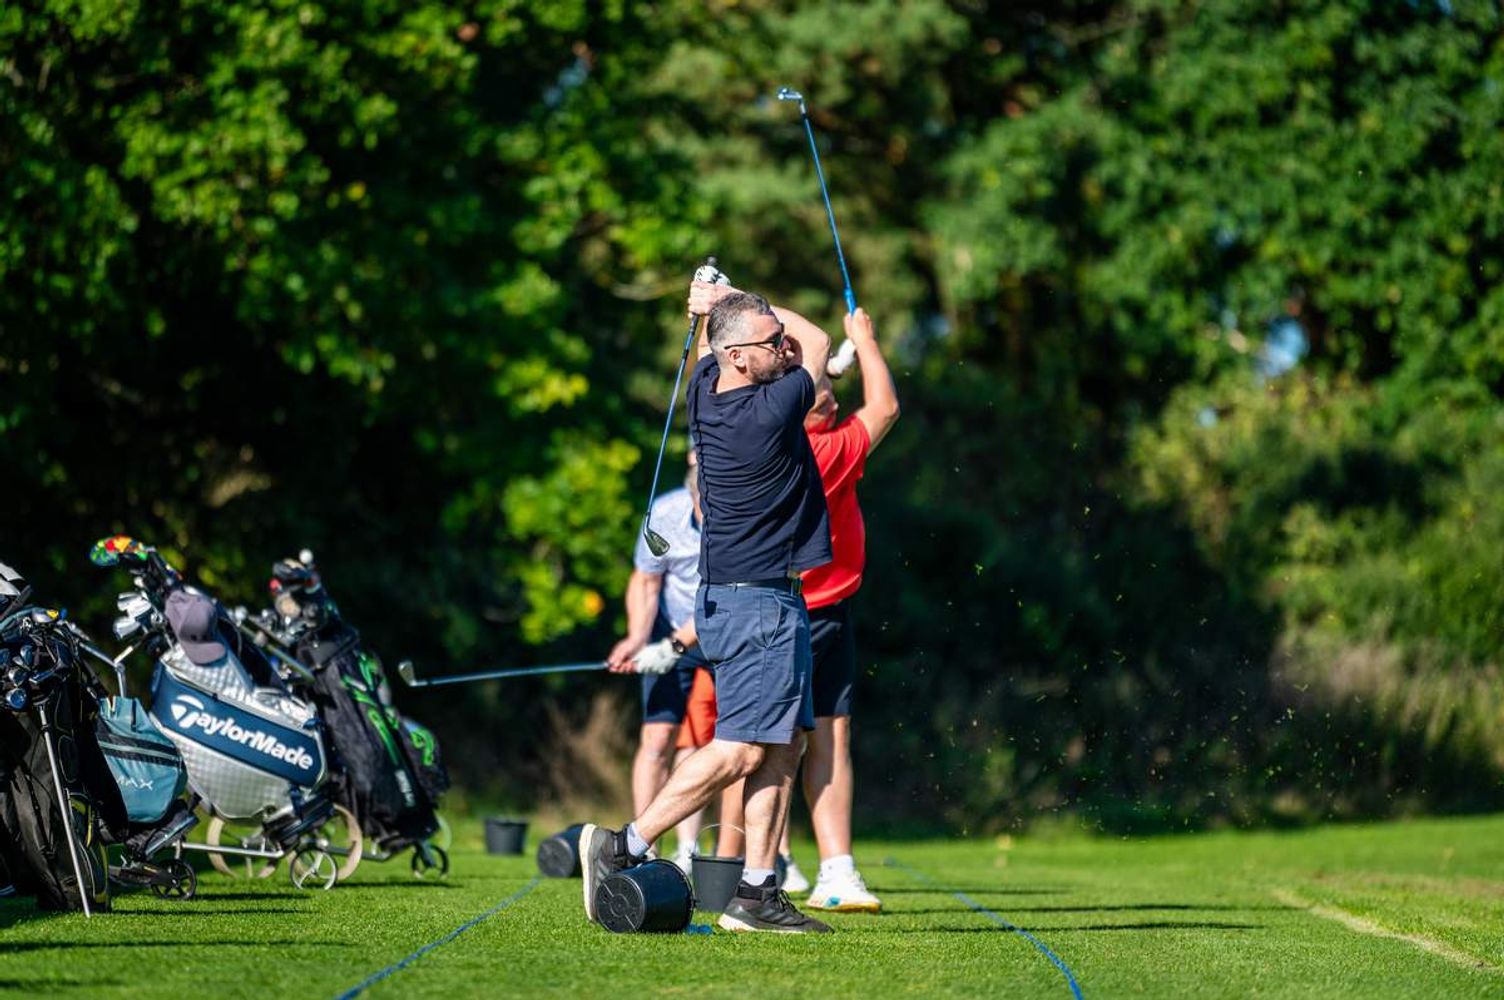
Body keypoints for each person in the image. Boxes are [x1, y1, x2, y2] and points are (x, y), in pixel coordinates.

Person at [581, 285, 833, 934]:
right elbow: (820, 341)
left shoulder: (705, 391)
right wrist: (730, 294)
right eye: (771, 340)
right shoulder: (769, 410)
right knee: (739, 750)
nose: (785, 345)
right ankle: (624, 845)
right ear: (740, 357)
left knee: (784, 742)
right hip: (759, 606)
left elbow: (707, 349)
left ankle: (757, 893)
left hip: (745, 600)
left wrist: (711, 311)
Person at [797, 305, 899, 912]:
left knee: (828, 736)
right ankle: (761, 860)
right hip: (799, 612)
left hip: (828, 609)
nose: (832, 399)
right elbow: (884, 406)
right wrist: (865, 339)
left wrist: (835, 363)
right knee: (776, 743)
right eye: (821, 395)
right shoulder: (822, 451)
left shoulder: (800, 438)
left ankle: (834, 869)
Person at [604, 449, 710, 870]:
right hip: (670, 631)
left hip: (724, 635)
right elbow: (647, 581)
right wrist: (637, 637)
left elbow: (723, 599)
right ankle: (645, 849)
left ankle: (701, 851)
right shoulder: (664, 514)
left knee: (719, 744)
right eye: (700, 505)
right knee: (658, 738)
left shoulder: (741, 520)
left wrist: (673, 646)